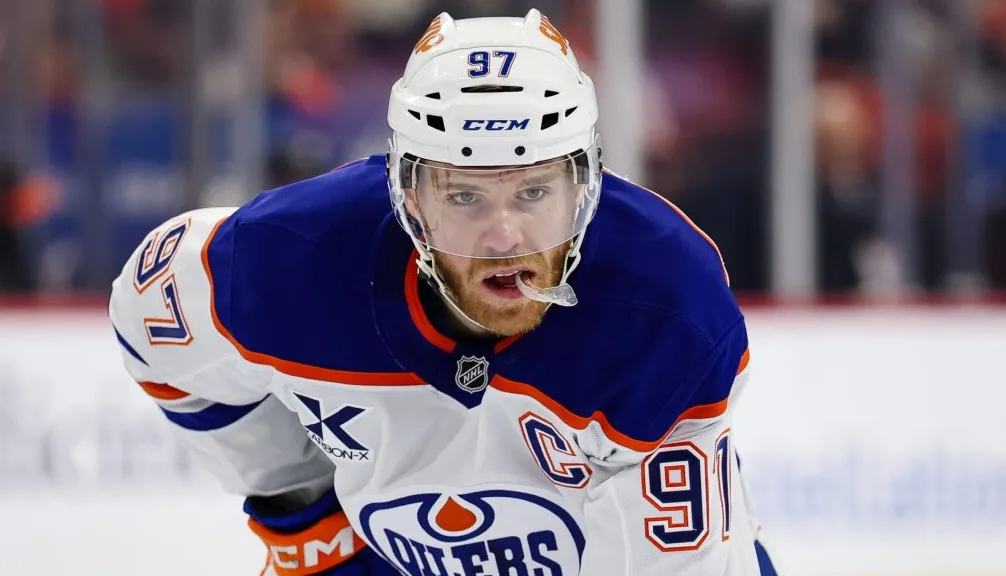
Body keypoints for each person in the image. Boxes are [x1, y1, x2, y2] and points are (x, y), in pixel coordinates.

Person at [109, 10, 778, 575]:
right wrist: (306, 519)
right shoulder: (290, 259)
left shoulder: (662, 304)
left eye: (534, 191)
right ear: (409, 198)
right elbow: (151, 310)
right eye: (464, 196)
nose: (504, 236)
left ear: (584, 188)